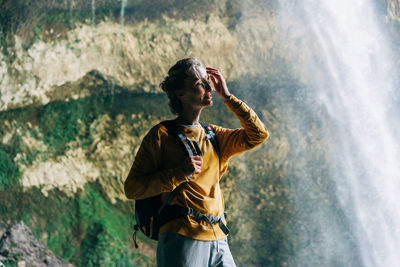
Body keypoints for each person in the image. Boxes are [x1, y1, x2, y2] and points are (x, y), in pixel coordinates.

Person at [124, 57, 269, 267]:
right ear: (180, 94)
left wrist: (228, 97)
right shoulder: (161, 136)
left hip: (219, 237)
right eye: (200, 84)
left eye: (208, 81)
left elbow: (258, 134)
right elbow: (132, 188)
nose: (209, 87)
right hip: (182, 238)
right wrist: (178, 174)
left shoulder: (214, 135)